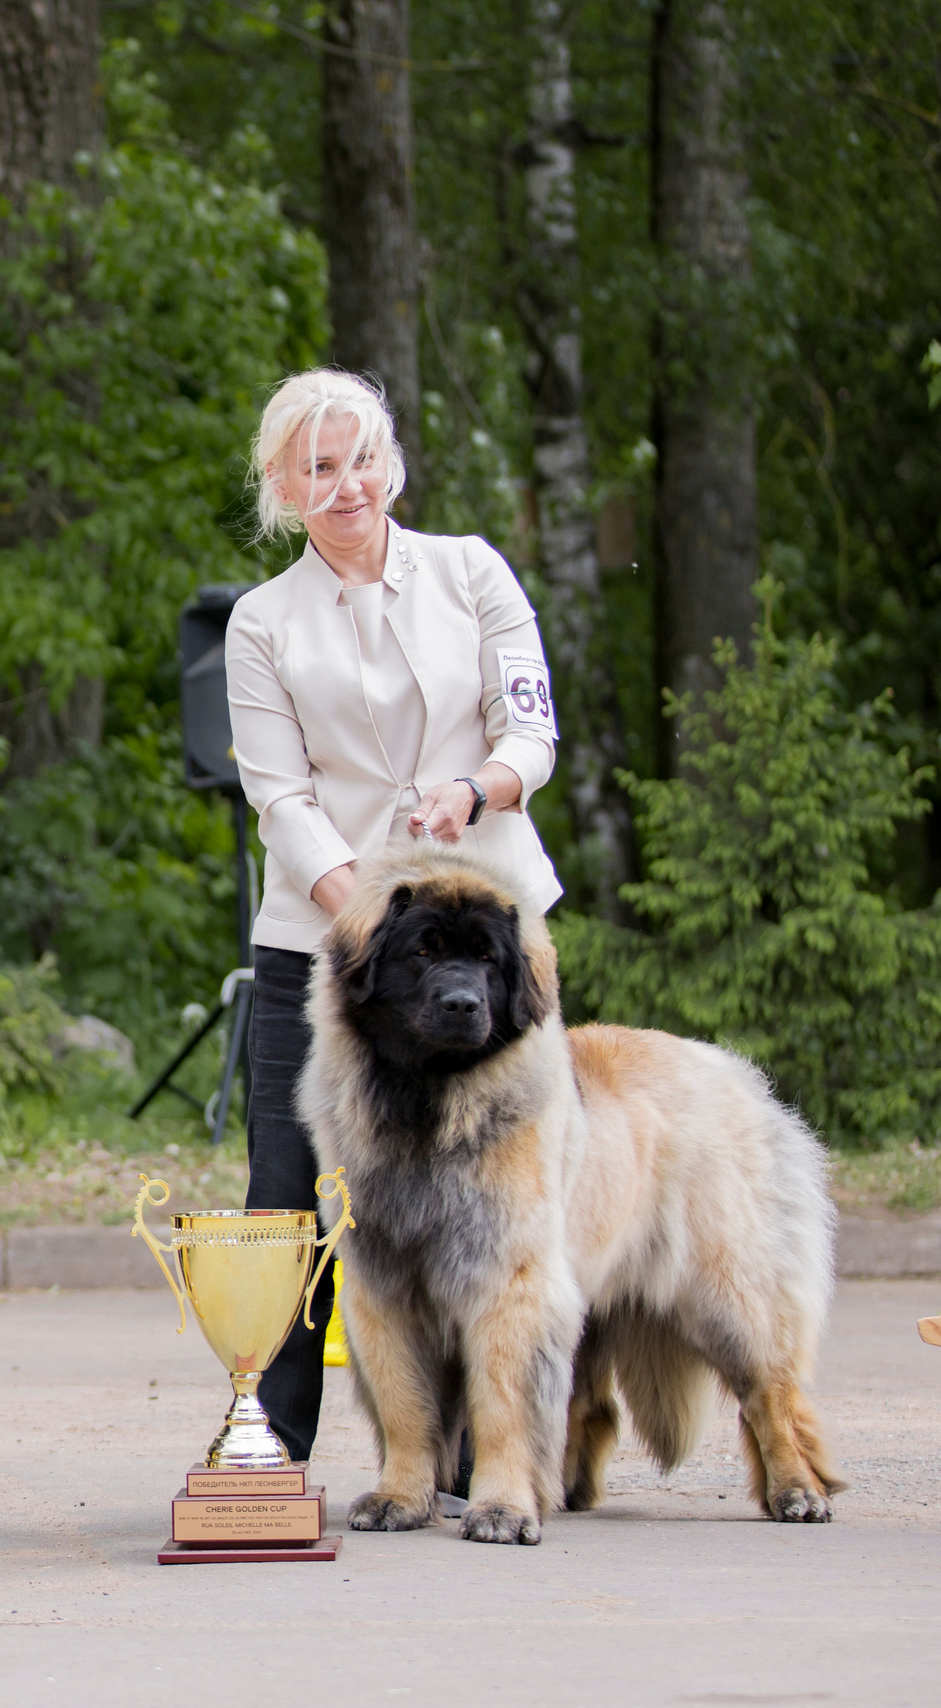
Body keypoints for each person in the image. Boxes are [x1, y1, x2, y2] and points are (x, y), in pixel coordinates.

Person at [224, 367, 562, 1475]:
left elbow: (531, 737)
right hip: (329, 944)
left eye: (360, 457)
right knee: (288, 1193)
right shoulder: (259, 622)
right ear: (282, 485)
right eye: (317, 467)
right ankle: (267, 1440)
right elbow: (278, 796)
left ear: (392, 463)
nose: (345, 483)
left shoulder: (472, 572)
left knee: (495, 1196)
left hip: (482, 937)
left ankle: (485, 1440)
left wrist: (474, 793)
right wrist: (357, 921)